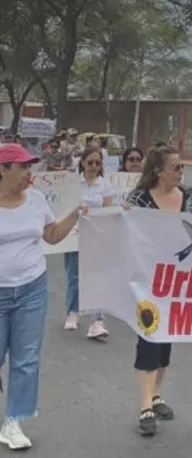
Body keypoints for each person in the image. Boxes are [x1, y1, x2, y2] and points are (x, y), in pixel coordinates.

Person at [0, 143, 87, 449]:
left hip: (31, 289)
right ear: (3, 170)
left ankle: (13, 422)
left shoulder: (36, 200)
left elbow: (51, 235)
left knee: (26, 359)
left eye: (29, 167)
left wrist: (76, 215)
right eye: (22, 167)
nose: (29, 173)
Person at [124, 145, 192, 437]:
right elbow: (125, 229)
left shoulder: (190, 199)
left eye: (182, 167)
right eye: (176, 167)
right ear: (158, 171)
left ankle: (156, 395)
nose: (181, 172)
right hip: (147, 280)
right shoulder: (140, 199)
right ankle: (145, 405)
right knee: (148, 336)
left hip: (178, 282)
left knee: (166, 338)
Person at [64, 146, 113, 339]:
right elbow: (65, 208)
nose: (93, 166)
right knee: (75, 276)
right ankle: (73, 312)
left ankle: (97, 319)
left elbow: (108, 212)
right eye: (90, 162)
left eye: (97, 163)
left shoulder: (105, 185)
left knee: (97, 277)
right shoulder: (74, 183)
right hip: (74, 235)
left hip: (96, 236)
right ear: (82, 162)